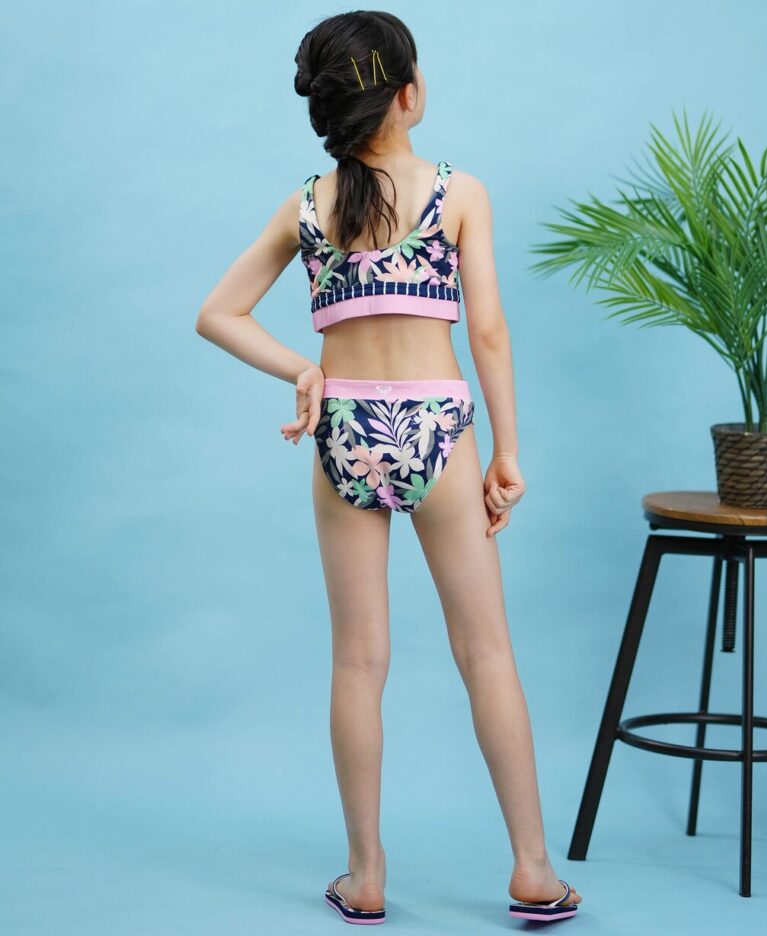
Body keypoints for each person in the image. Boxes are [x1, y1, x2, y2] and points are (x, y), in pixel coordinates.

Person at [195, 9, 582, 926]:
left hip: (345, 430)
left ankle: (365, 877)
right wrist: (507, 451)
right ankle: (533, 869)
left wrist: (306, 371)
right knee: (485, 650)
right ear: (409, 93)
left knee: (359, 660)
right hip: (439, 427)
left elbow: (217, 313)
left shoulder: (307, 206)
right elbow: (488, 331)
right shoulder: (458, 193)